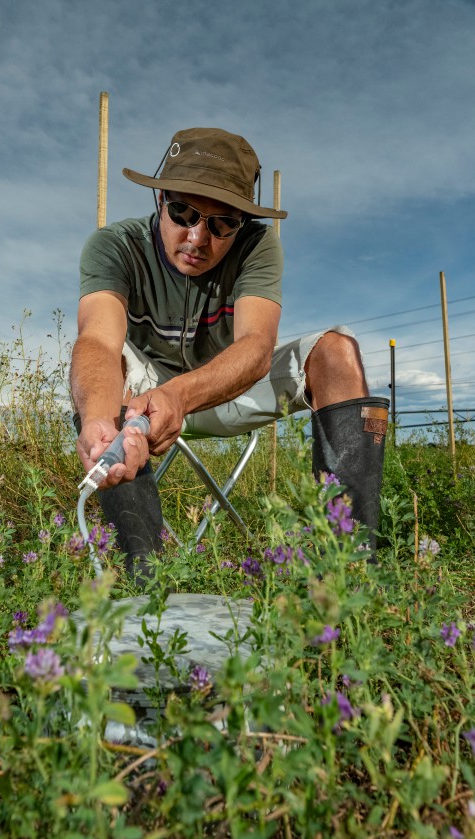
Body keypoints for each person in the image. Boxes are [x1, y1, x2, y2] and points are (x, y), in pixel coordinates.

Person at [70, 127, 389, 580]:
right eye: (183, 212)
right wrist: (100, 424)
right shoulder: (115, 246)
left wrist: (180, 396)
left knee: (337, 352)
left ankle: (349, 571)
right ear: (159, 201)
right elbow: (99, 340)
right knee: (103, 364)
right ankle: (144, 568)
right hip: (138, 401)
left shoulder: (259, 246)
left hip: (228, 390)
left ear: (242, 222)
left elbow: (256, 348)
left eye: (223, 224)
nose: (198, 238)